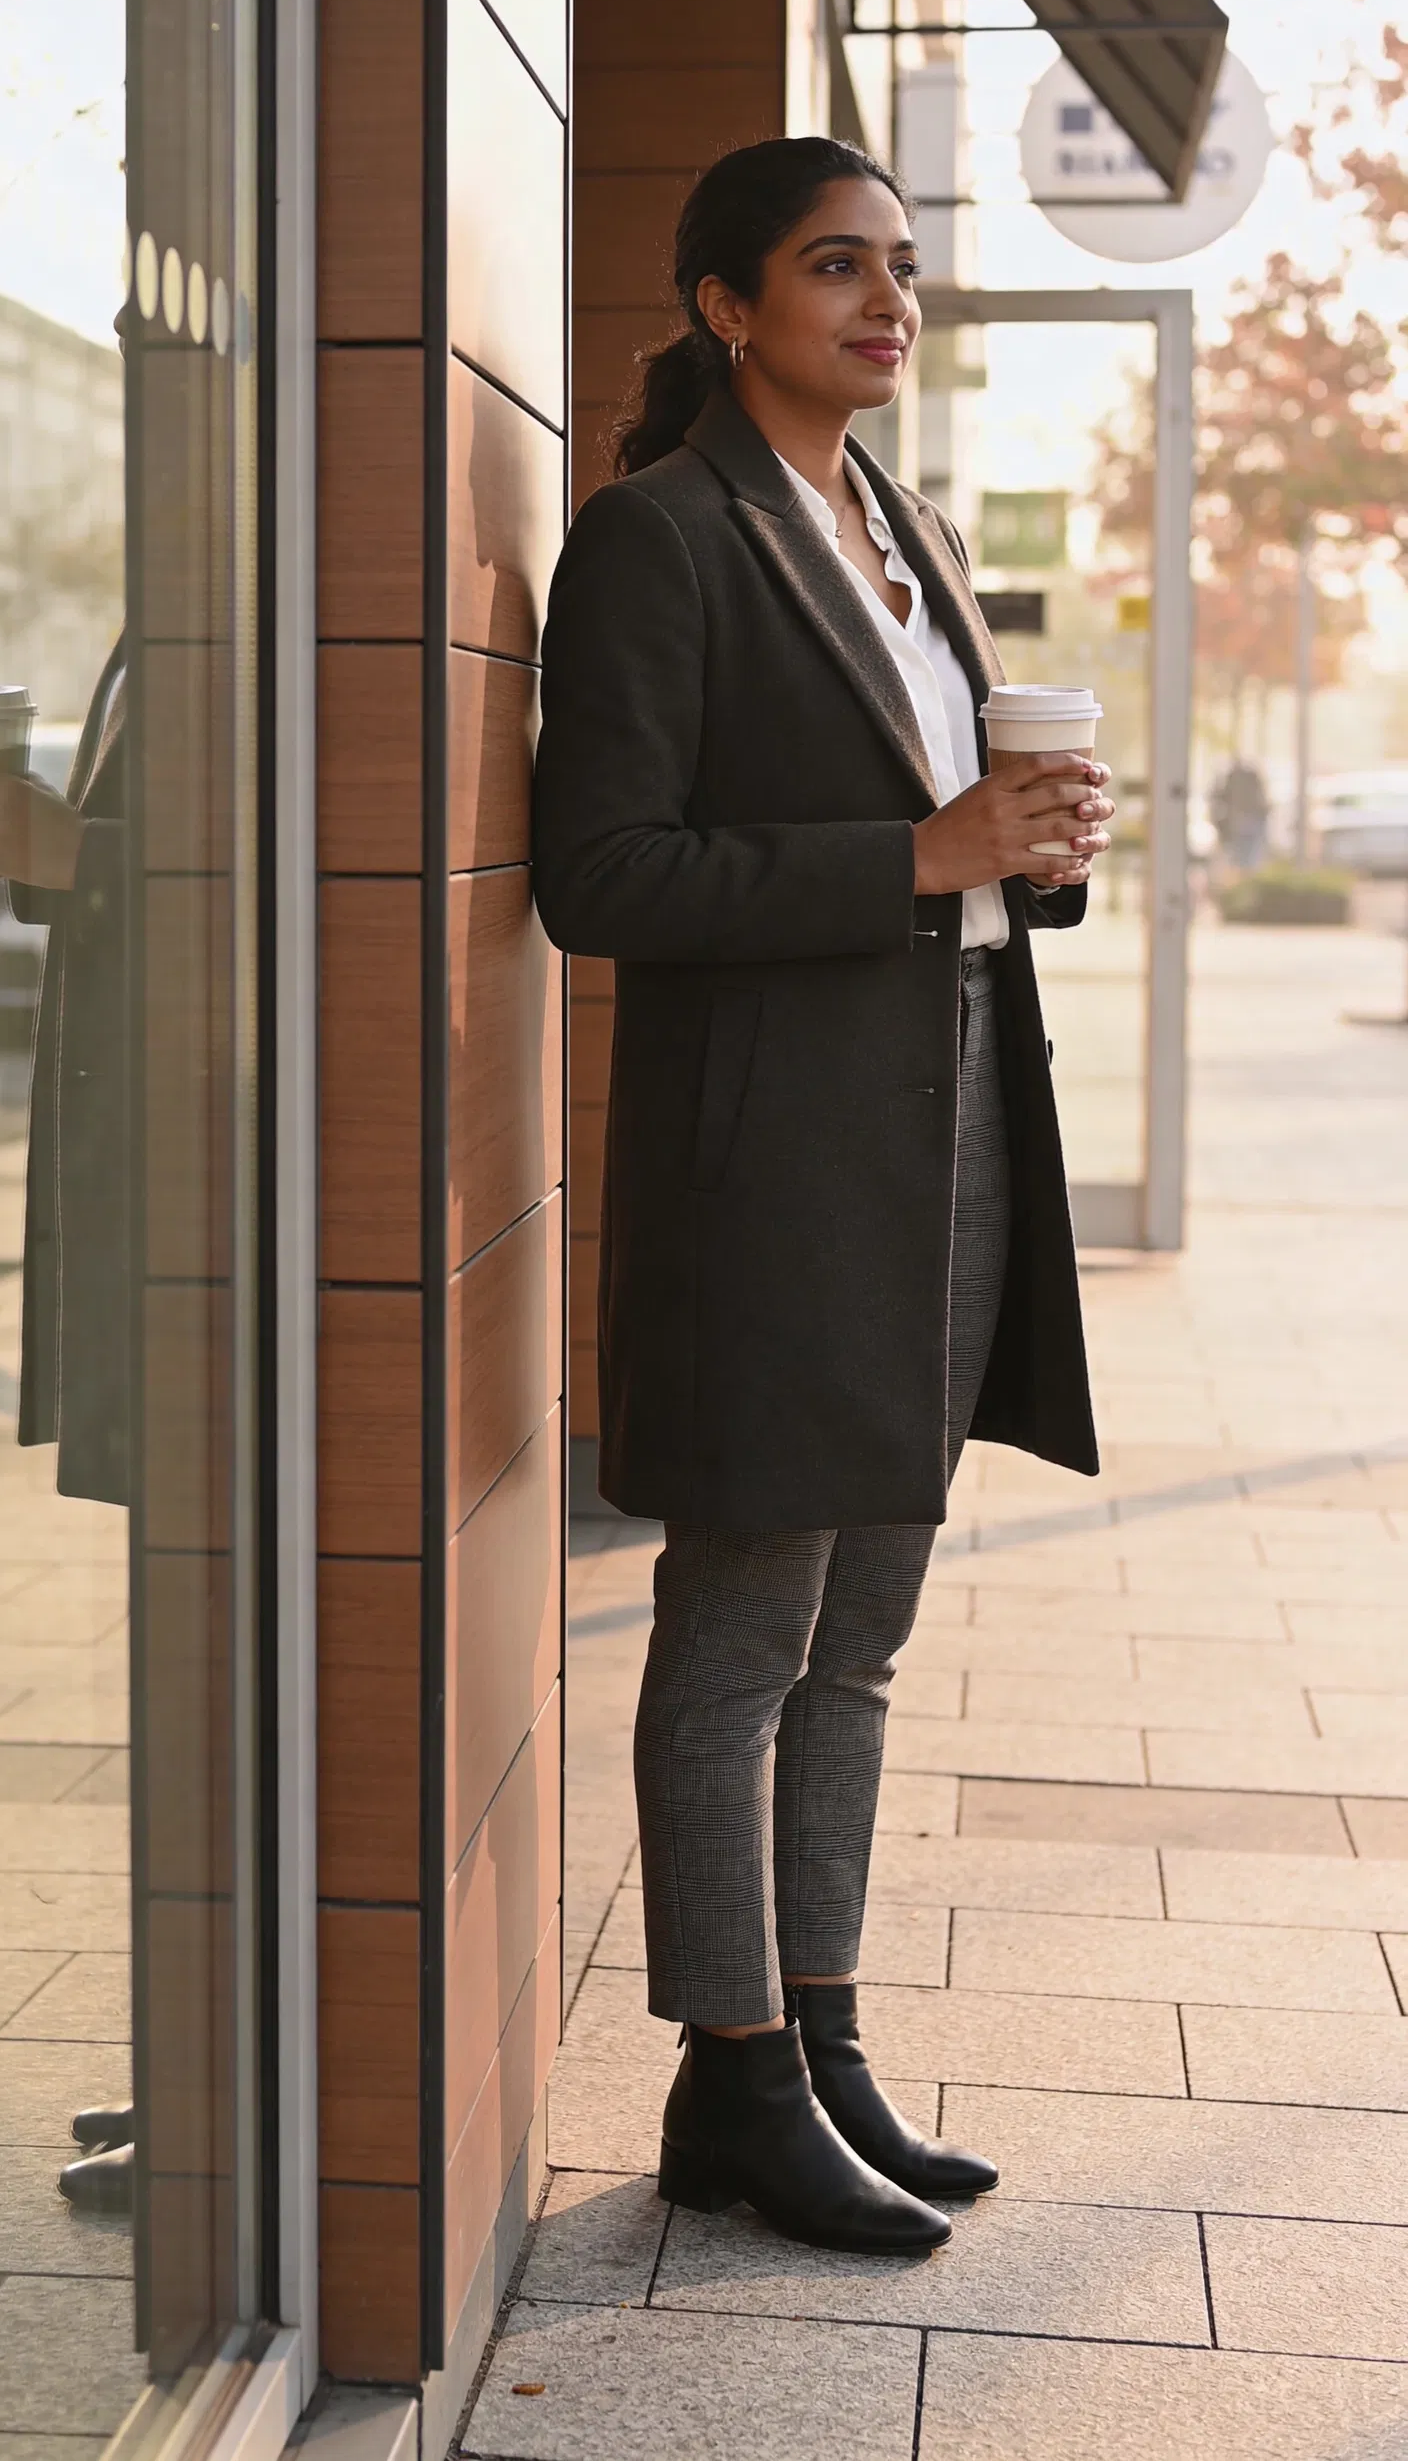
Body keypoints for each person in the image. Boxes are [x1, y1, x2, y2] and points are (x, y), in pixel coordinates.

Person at [532, 137, 1110, 2257]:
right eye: (834, 265)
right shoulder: (657, 543)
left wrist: (1025, 852)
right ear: (722, 306)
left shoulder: (908, 530)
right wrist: (918, 859)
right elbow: (595, 879)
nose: (885, 298)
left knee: (857, 1643)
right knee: (738, 1642)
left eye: (899, 266)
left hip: (940, 1146)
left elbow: (947, 843)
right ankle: (727, 2076)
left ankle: (823, 2039)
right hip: (768, 1180)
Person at [0, 637, 134, 2217]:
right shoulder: (176, 589)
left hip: (227, 1199)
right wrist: (50, 852)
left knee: (234, 1666)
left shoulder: (265, 564)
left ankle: (237, 2073)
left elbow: (333, 869)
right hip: (167, 1192)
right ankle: (216, 2053)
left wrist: (81, 850)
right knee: (204, 1662)